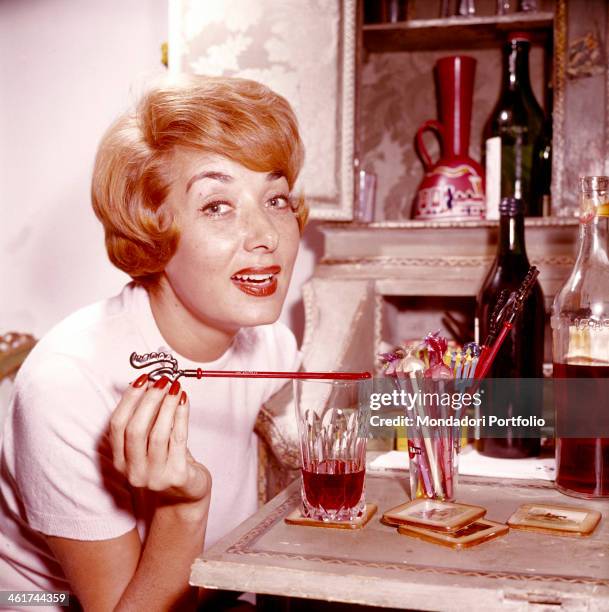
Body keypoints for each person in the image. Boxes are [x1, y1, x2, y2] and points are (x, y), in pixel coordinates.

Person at [0, 75, 307, 610]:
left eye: (275, 198)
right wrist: (183, 505)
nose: (266, 236)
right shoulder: (66, 382)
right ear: (152, 229)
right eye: (218, 205)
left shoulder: (272, 347)